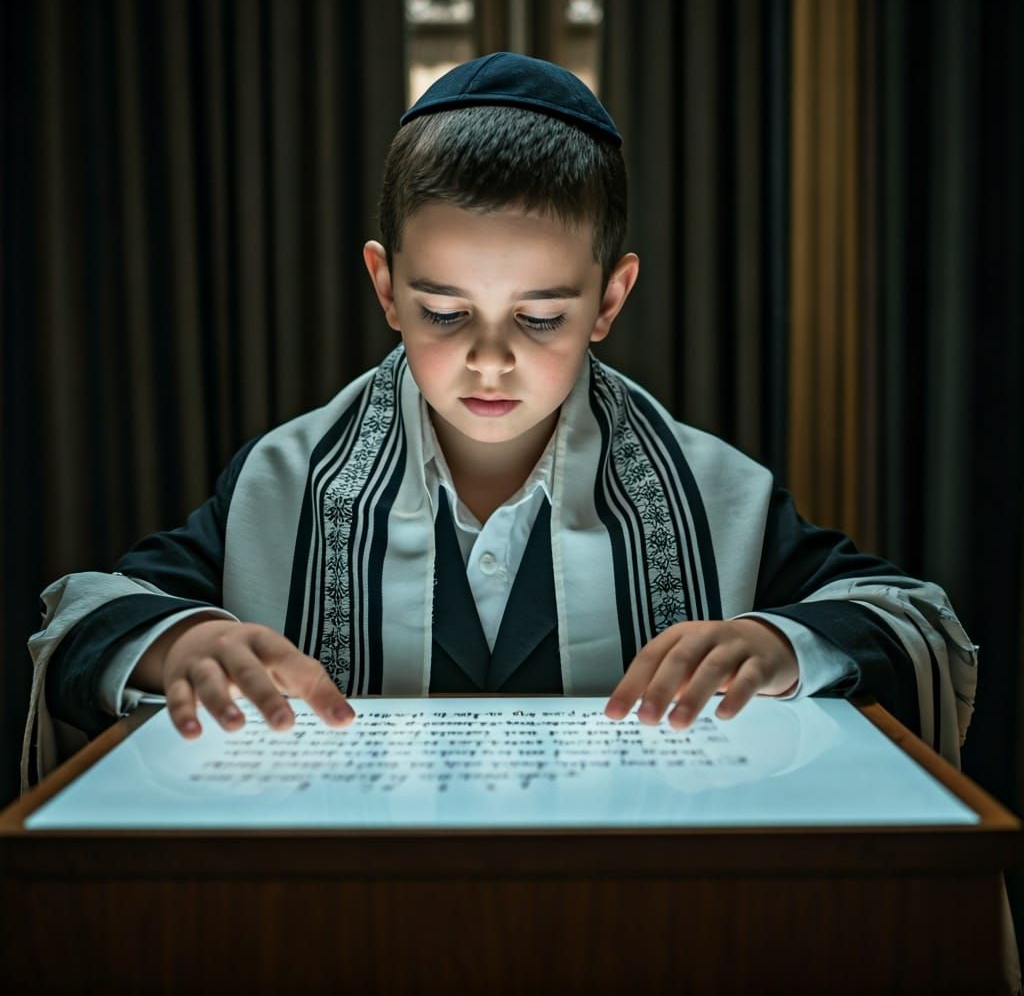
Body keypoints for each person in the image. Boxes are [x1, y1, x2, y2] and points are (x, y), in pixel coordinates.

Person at [22, 52, 978, 795]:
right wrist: (177, 643)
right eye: (444, 312)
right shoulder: (283, 482)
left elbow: (912, 622)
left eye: (540, 317)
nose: (489, 359)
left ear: (611, 298)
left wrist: (780, 644)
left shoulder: (712, 493)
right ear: (384, 286)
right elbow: (91, 615)